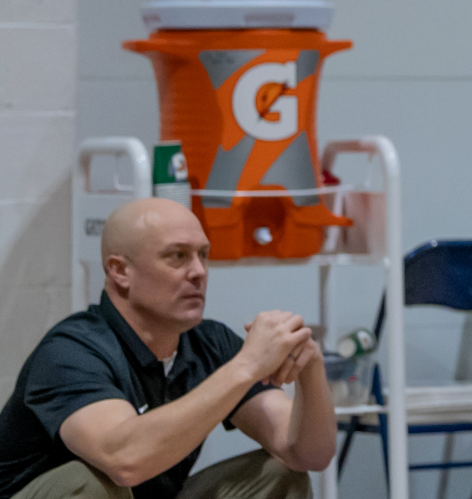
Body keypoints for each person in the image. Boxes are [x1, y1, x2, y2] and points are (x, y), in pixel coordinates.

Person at [0, 199, 334, 499]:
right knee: (91, 482)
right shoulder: (71, 351)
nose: (199, 272)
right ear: (120, 271)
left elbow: (306, 454)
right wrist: (245, 366)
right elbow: (124, 461)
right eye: (177, 257)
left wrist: (311, 367)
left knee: (281, 473)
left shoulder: (209, 342)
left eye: (203, 255)